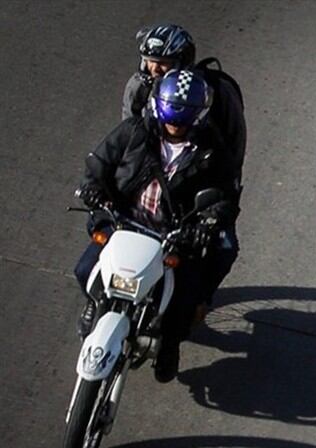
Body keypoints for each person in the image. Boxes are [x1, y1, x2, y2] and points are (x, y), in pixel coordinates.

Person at [75, 70, 239, 383]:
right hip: (122, 221)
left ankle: (170, 347)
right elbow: (98, 163)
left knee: (183, 303)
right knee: (85, 270)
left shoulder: (213, 152)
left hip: (174, 237)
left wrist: (208, 221)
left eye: (182, 121)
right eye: (170, 120)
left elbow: (225, 196)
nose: (174, 127)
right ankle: (95, 304)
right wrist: (92, 188)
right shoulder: (132, 131)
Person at [122, 23, 246, 321]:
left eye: (162, 63)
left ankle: (200, 301)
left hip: (199, 177)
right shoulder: (138, 86)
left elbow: (234, 147)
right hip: (149, 178)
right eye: (149, 60)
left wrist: (222, 198)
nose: (153, 68)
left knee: (224, 247)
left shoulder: (217, 94)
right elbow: (125, 139)